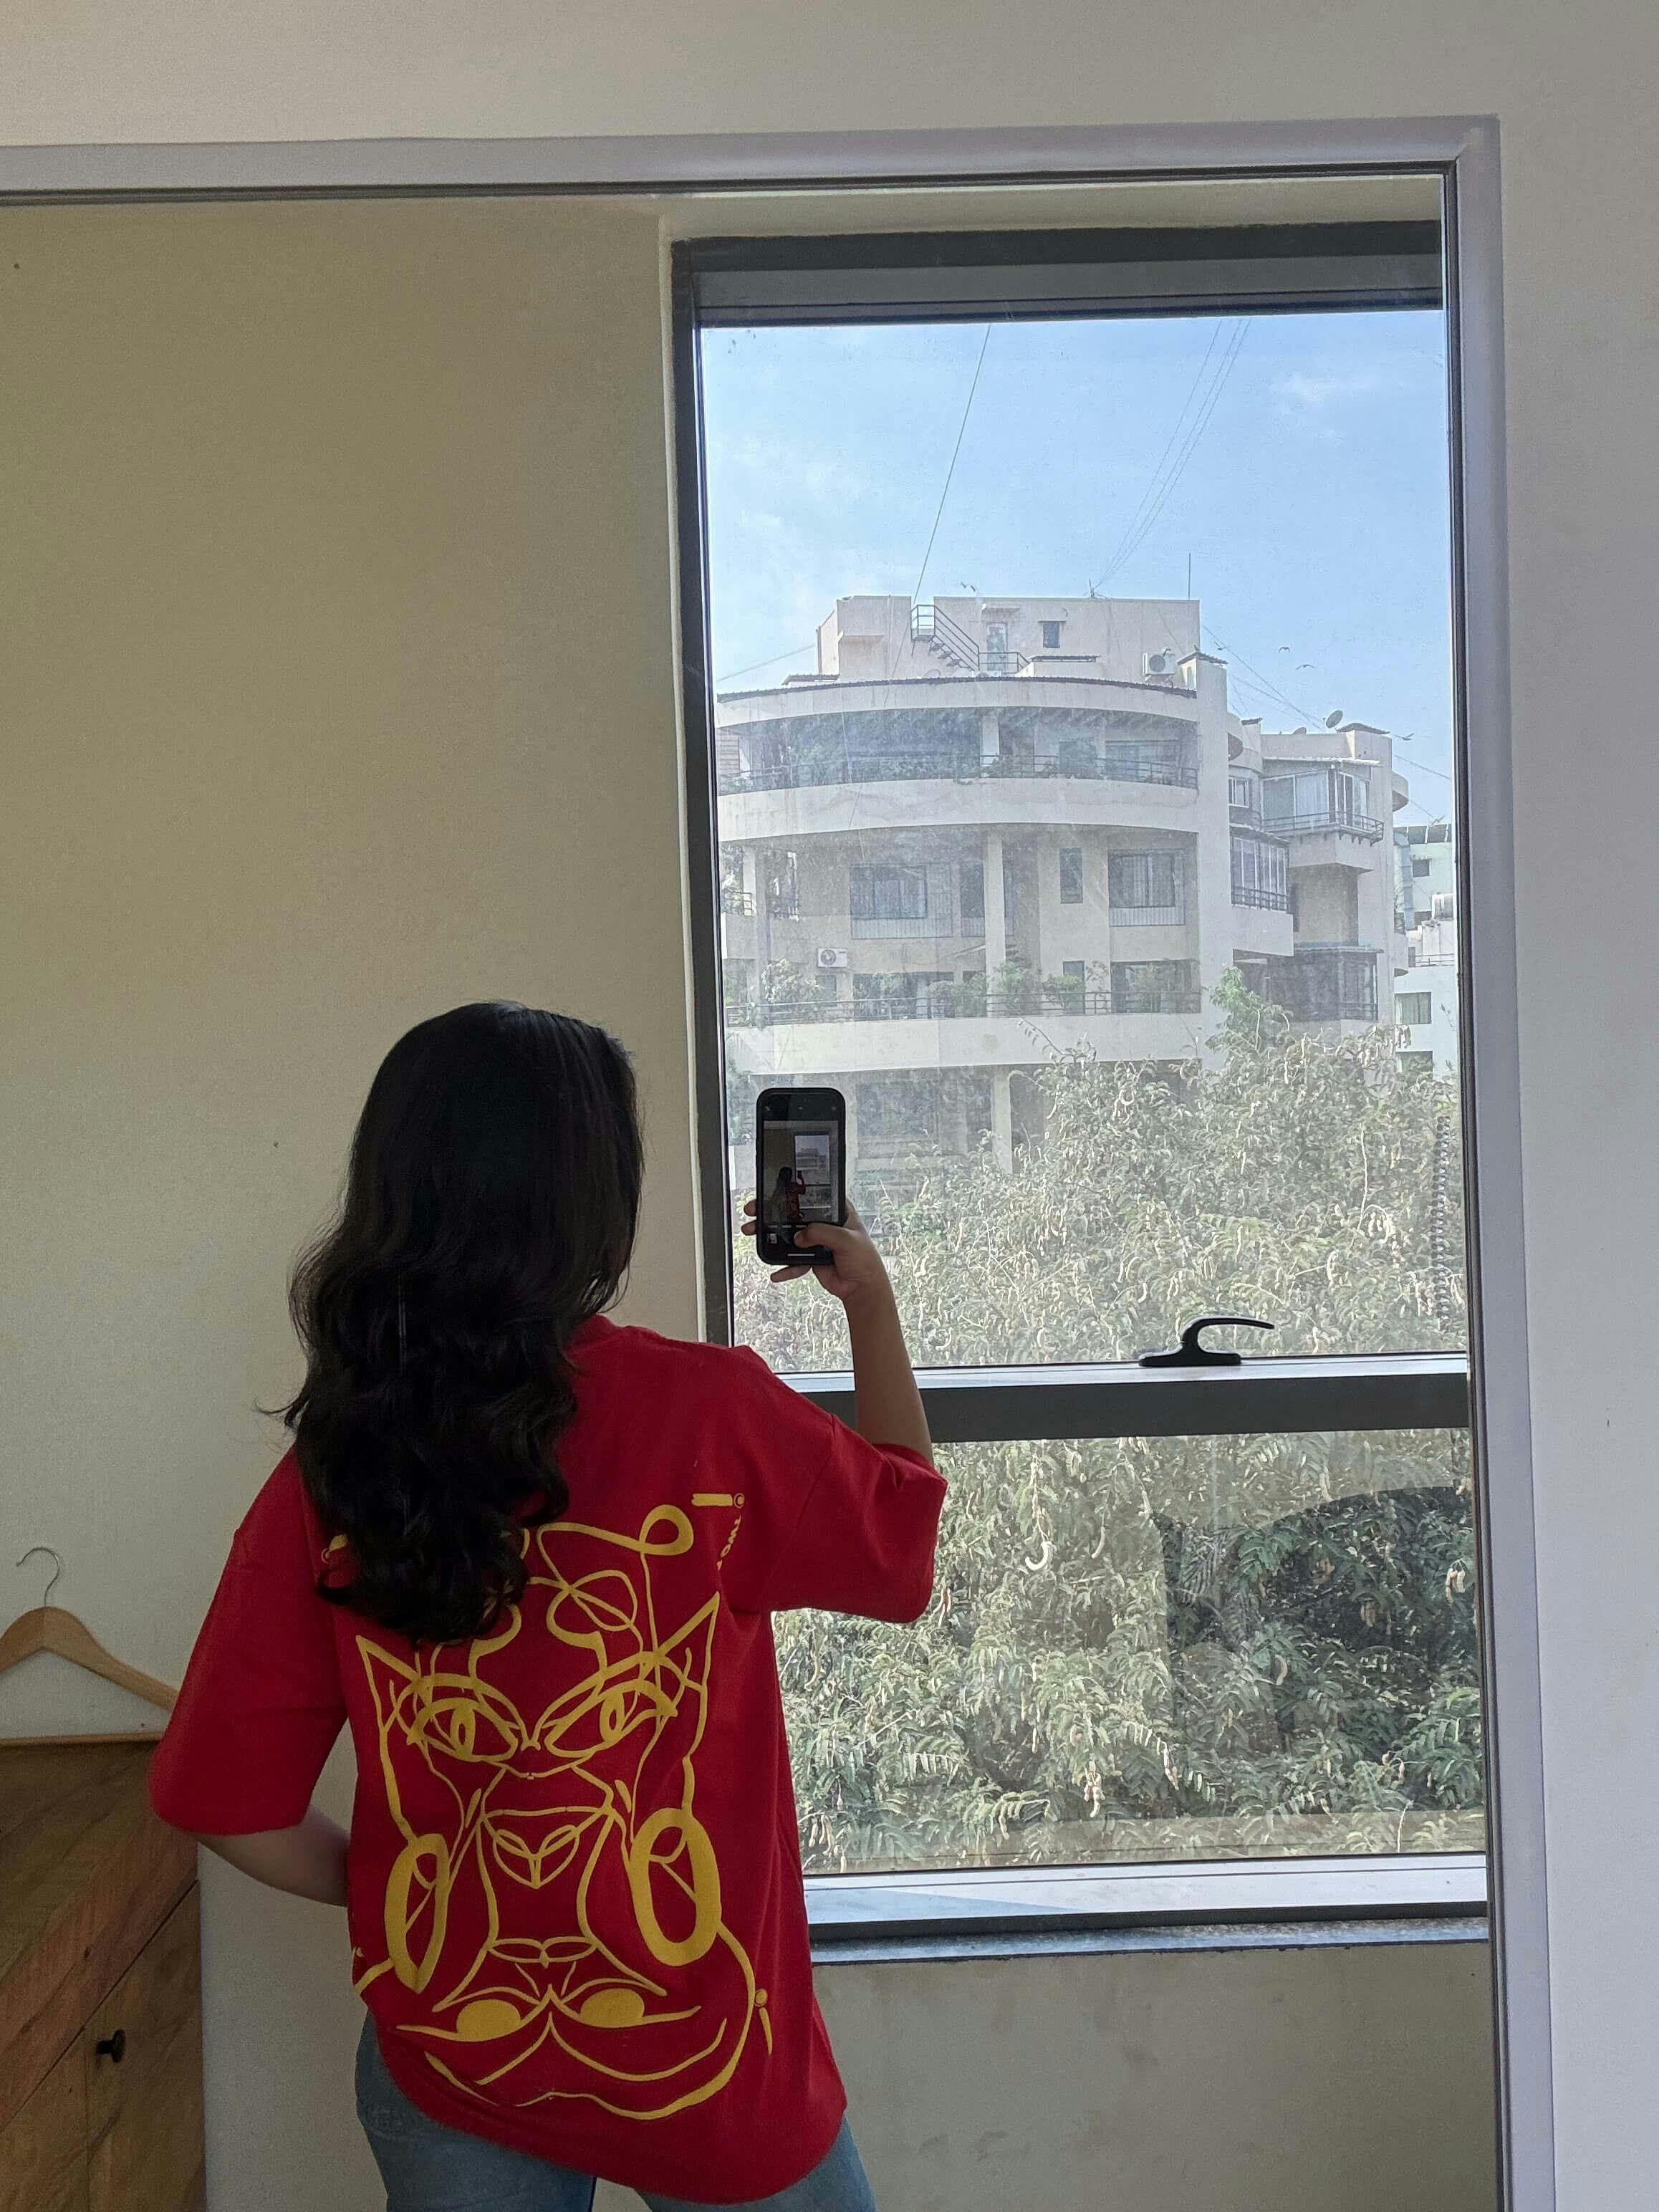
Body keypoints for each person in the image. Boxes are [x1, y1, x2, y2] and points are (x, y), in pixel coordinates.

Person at [149, 1002, 943, 2212]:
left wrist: (397, 1881)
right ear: (593, 1200)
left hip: (454, 2059)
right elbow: (900, 1547)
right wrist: (869, 1303)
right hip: (707, 2062)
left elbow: (222, 1805)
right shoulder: (712, 1417)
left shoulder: (338, 1468)